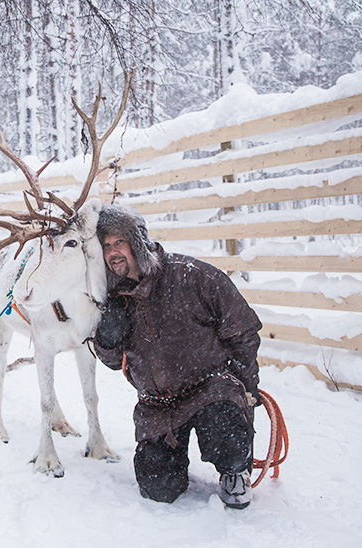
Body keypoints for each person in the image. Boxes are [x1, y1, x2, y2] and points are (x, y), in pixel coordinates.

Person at [92, 203, 263, 509]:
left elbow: (243, 328)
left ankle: (235, 472)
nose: (113, 252)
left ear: (138, 242)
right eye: (106, 246)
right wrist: (106, 336)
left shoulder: (190, 276)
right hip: (159, 405)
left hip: (209, 390)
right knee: (159, 489)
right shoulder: (115, 298)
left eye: (120, 242)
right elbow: (110, 361)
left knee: (225, 430)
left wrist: (246, 385)